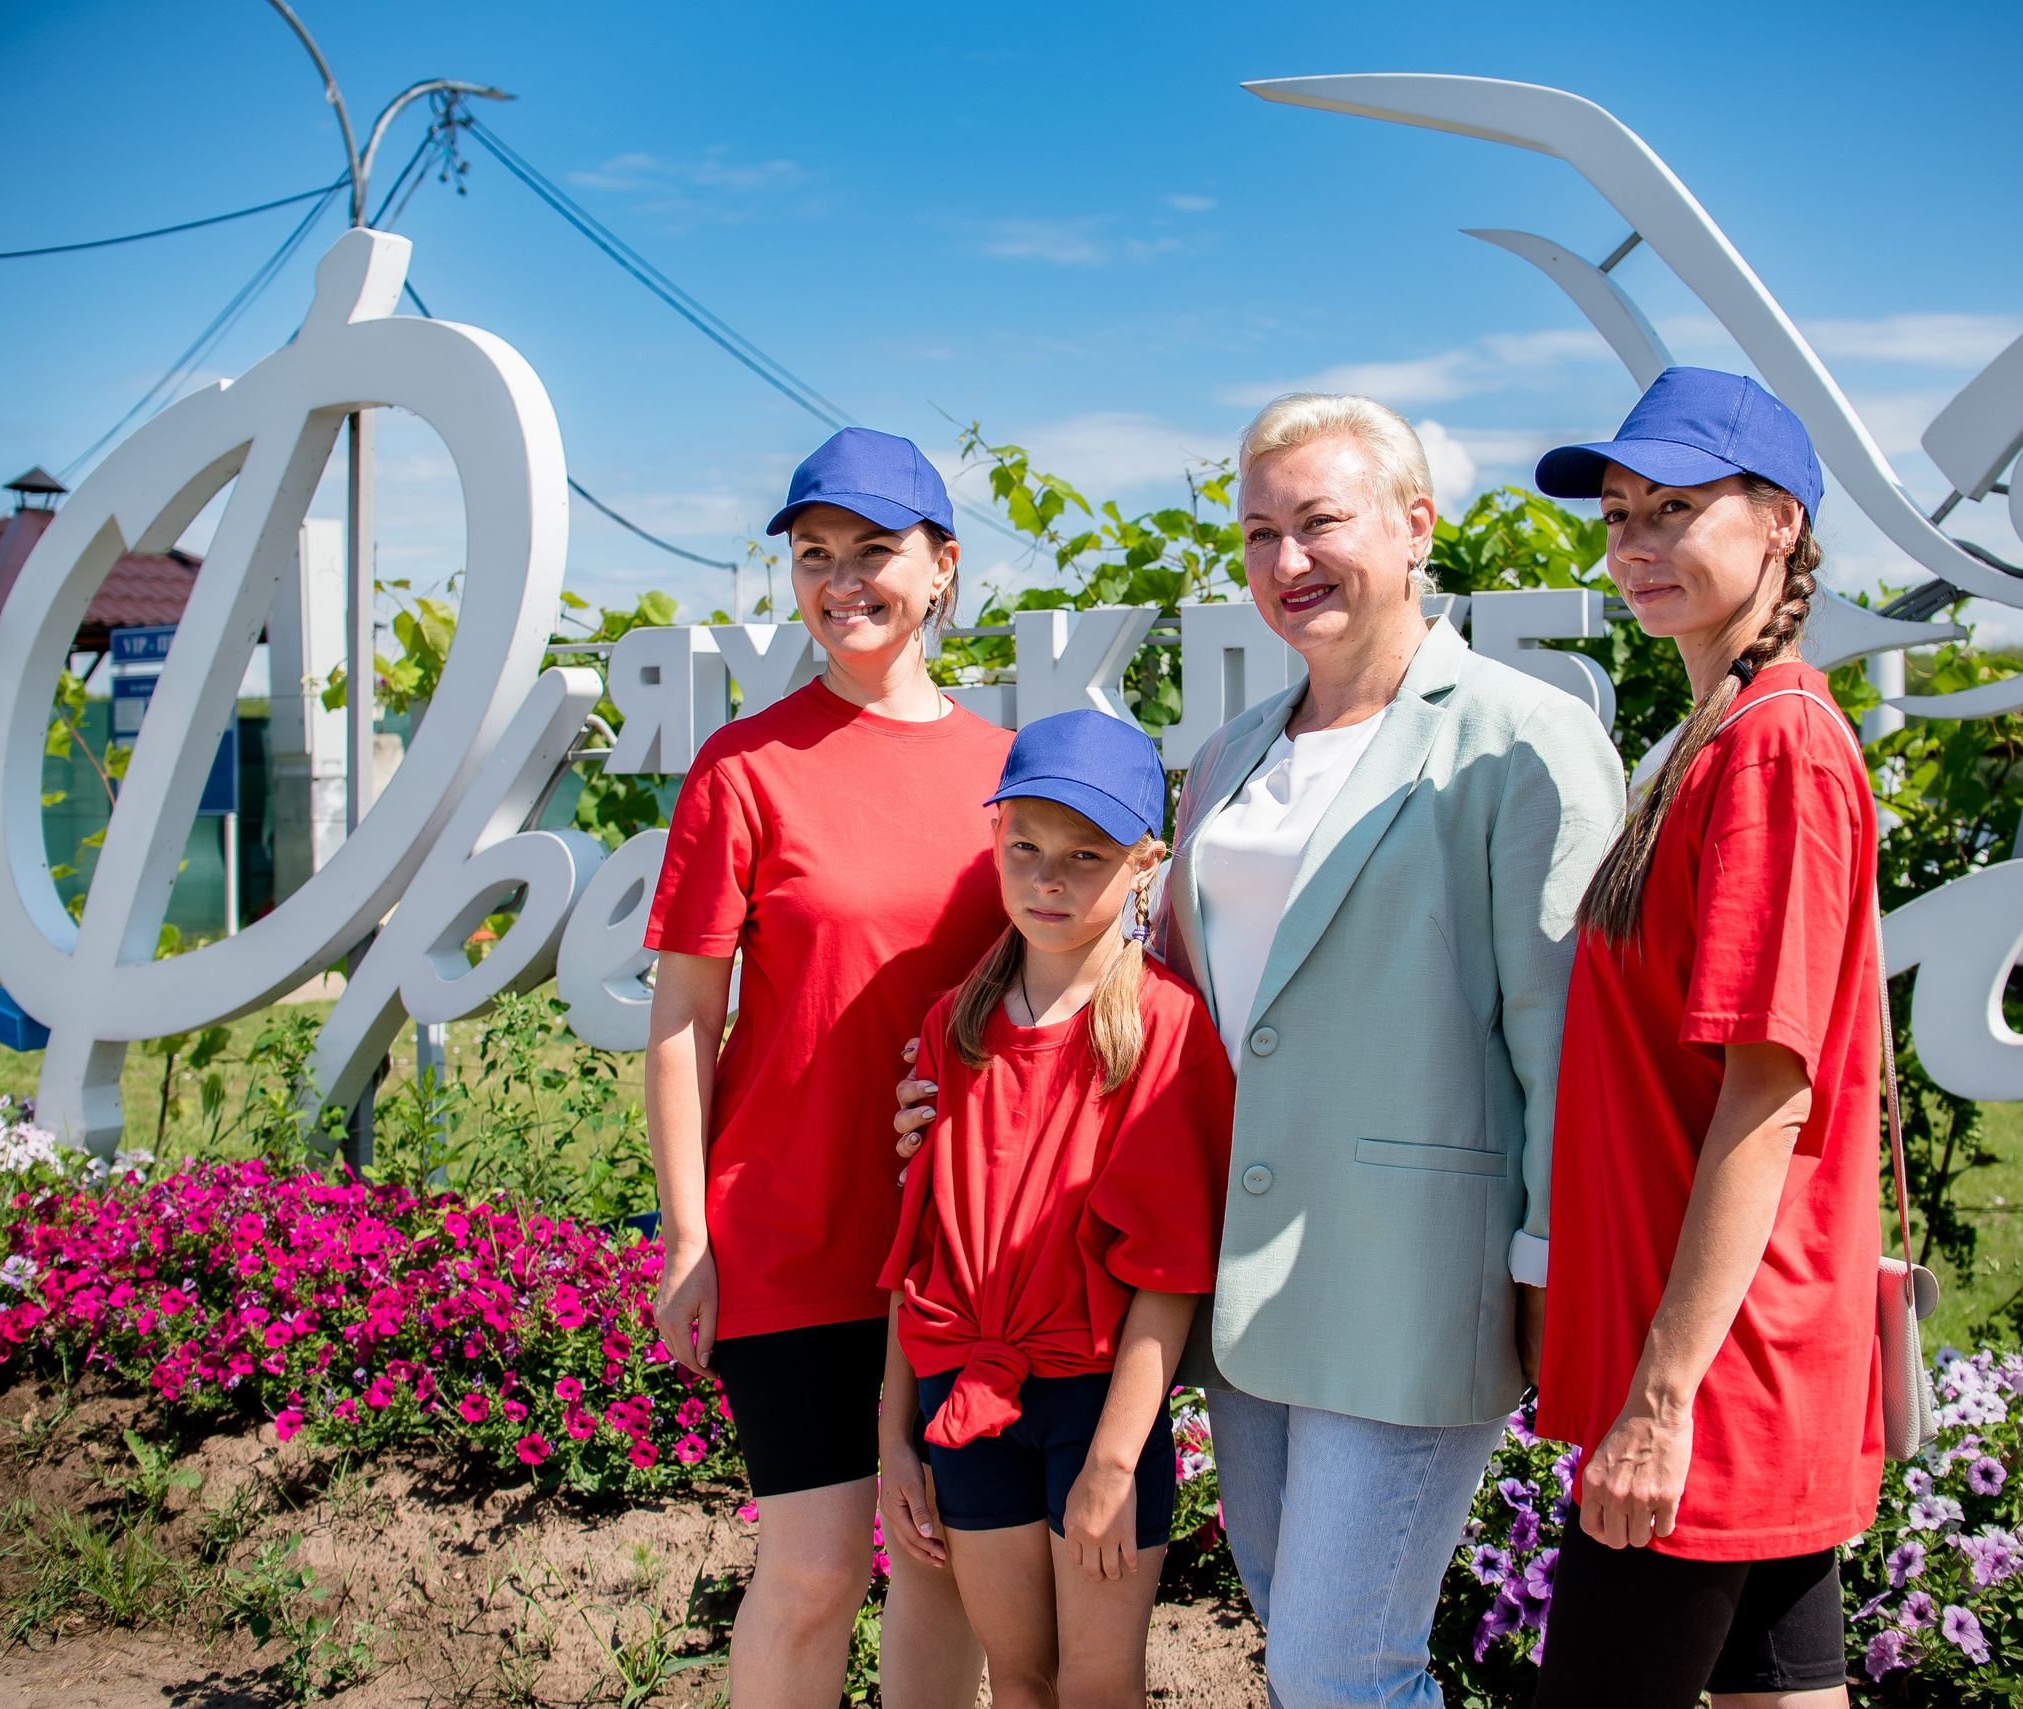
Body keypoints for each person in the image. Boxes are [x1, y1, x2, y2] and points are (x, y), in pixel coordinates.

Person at [893, 395, 1621, 1706]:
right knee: (1302, 1647)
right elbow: (1152, 1005)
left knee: (1344, 1671)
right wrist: (962, 1106)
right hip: (1244, 1287)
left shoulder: (1523, 734)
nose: (1288, 562)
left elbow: (1566, 1036)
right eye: (1261, 532)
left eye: (1321, 523)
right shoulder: (1230, 755)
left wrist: (1548, 1267)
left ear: (1415, 527)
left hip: (1412, 1283)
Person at [1526, 367, 1883, 1709]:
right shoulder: (1718, 733)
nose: (1636, 546)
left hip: (1714, 1378)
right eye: (1619, 515)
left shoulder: (1772, 749)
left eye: (1675, 508)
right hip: (1743, 1354)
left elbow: (1768, 1093)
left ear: (1781, 521)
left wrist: (1661, 1396)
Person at [646, 427, 1004, 1707]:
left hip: (959, 1245)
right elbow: (684, 1013)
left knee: (945, 1564)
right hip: (790, 1231)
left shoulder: (1006, 775)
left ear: (942, 566)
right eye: (813, 556)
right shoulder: (742, 766)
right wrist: (689, 1231)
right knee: (811, 1573)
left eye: (873, 551)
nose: (841, 581)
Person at [876, 709, 1234, 1707]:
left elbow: (1168, 1276)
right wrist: (893, 1438)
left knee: (1096, 1678)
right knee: (1019, 1676)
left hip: (1095, 1405)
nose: (1049, 879)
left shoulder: (1162, 1028)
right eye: (1026, 846)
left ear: (1144, 860)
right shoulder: (953, 1024)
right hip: (964, 1398)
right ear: (994, 838)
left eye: (1086, 855)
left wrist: (1115, 1457)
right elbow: (921, 1254)